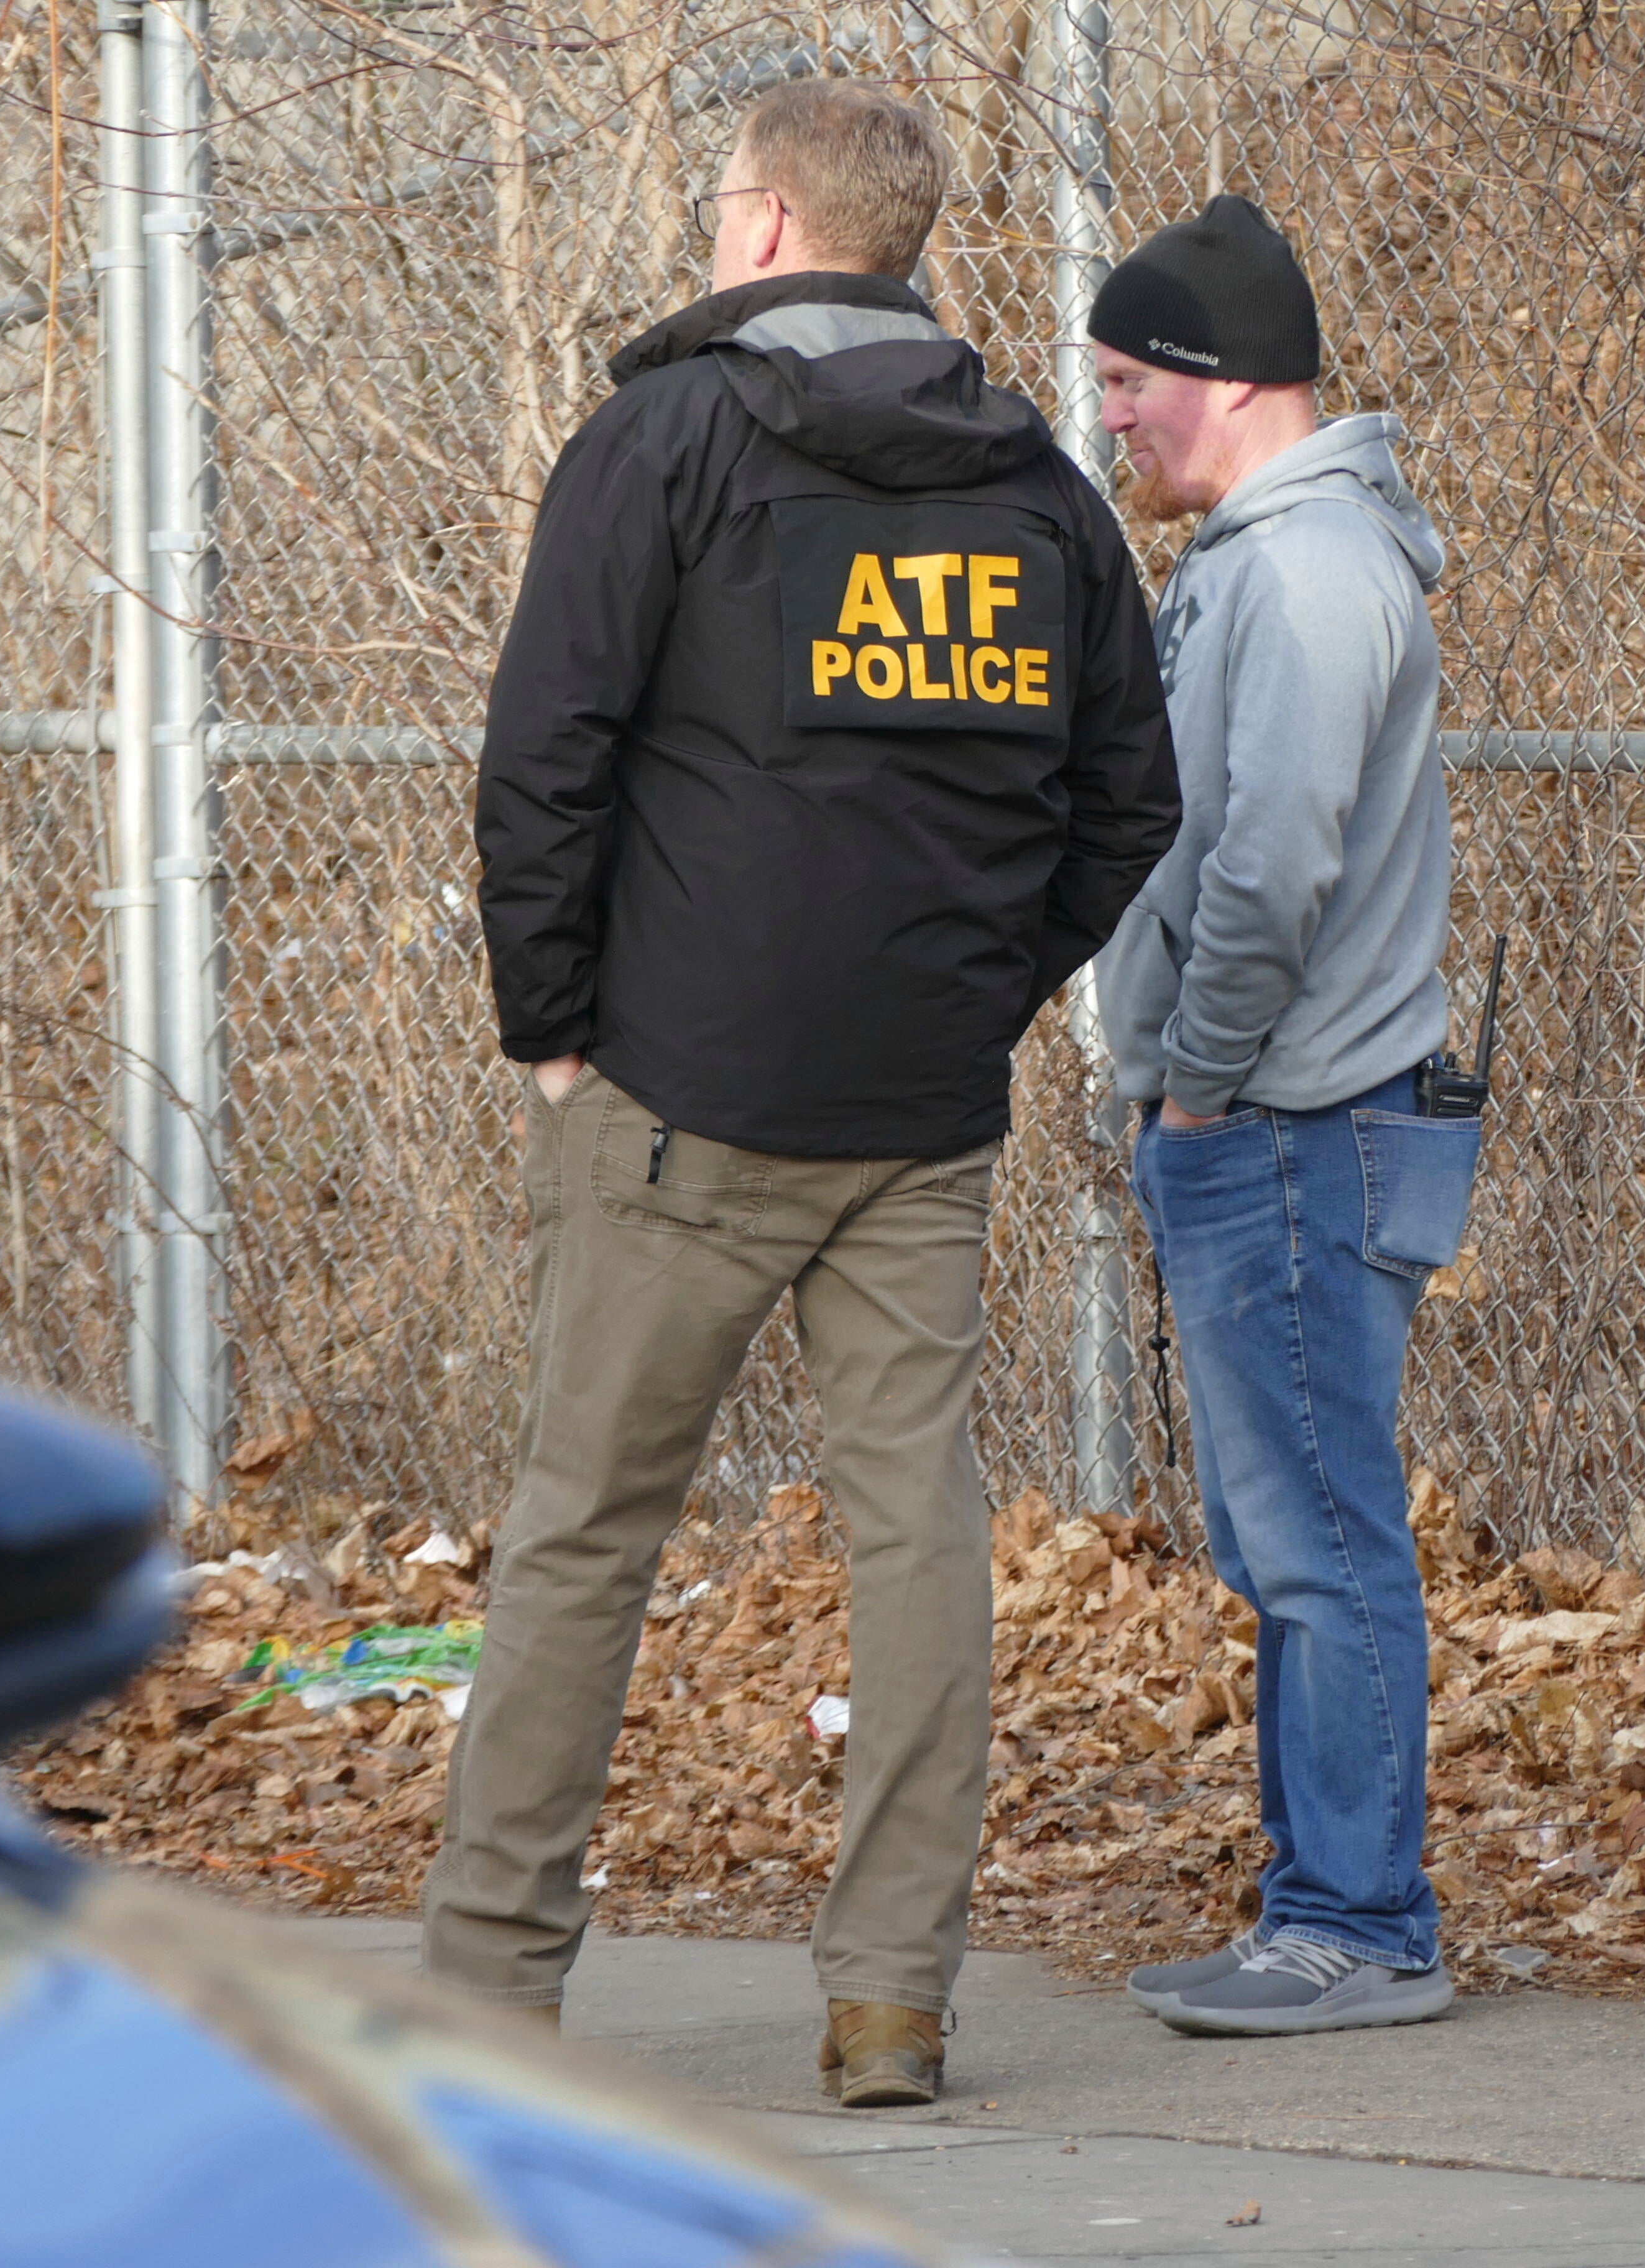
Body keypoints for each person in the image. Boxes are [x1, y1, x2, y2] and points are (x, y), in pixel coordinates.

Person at [431, 80, 1179, 2108]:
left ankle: (493, 1998)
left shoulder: (663, 437)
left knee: (585, 1532)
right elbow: (1132, 798)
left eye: (713, 202)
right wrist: (982, 986)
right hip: (919, 1112)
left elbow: (545, 756)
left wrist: (554, 1025)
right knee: (914, 1537)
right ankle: (887, 2006)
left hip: (676, 1093)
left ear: (764, 228)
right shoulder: (1038, 484)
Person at [1083, 197, 1478, 2037]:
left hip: (1300, 1126)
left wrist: (1197, 1080)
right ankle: (1319, 1905)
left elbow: (1271, 863)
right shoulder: (1272, 554)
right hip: (1285, 1120)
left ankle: (1358, 1928)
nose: (1111, 420)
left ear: (1221, 381)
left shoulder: (1310, 576)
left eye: (1125, 382)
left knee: (1321, 1543)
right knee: (1294, 1538)